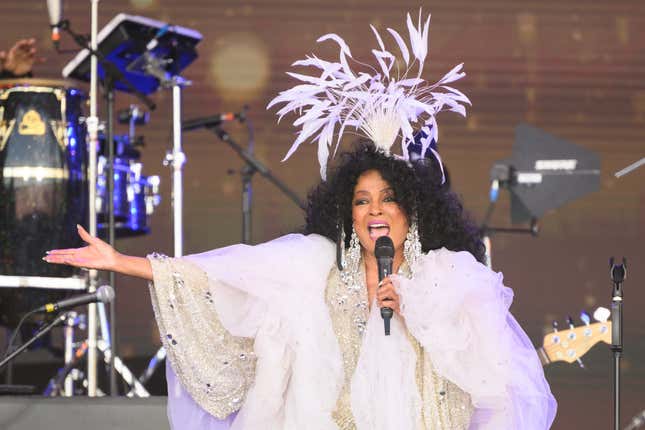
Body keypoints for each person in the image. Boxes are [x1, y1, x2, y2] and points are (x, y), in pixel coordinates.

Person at [44, 11, 557, 429]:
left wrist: (416, 311)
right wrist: (122, 261)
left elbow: (494, 381)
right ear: (347, 212)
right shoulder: (316, 266)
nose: (375, 209)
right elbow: (224, 274)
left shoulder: (449, 276)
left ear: (414, 208)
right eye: (361, 200)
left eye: (388, 198)